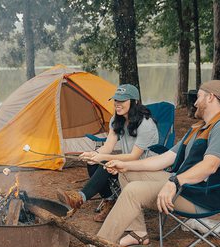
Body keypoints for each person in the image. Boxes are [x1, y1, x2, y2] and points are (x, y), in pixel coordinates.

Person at [61, 80, 220, 247]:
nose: (195, 102)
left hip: (202, 197)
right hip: (189, 187)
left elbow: (210, 166)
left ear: (211, 97)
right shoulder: (200, 128)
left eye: (199, 97)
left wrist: (174, 182)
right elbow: (164, 160)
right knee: (125, 174)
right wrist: (125, 166)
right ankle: (138, 234)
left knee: (134, 191)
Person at [57, 84, 159, 222]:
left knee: (104, 162)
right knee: (93, 162)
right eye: (116, 100)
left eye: (122, 101)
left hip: (147, 169)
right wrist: (92, 154)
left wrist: (102, 157)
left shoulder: (146, 124)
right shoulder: (117, 119)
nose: (117, 104)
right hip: (127, 166)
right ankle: (110, 201)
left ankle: (80, 197)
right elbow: (107, 147)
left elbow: (134, 156)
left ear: (134, 102)